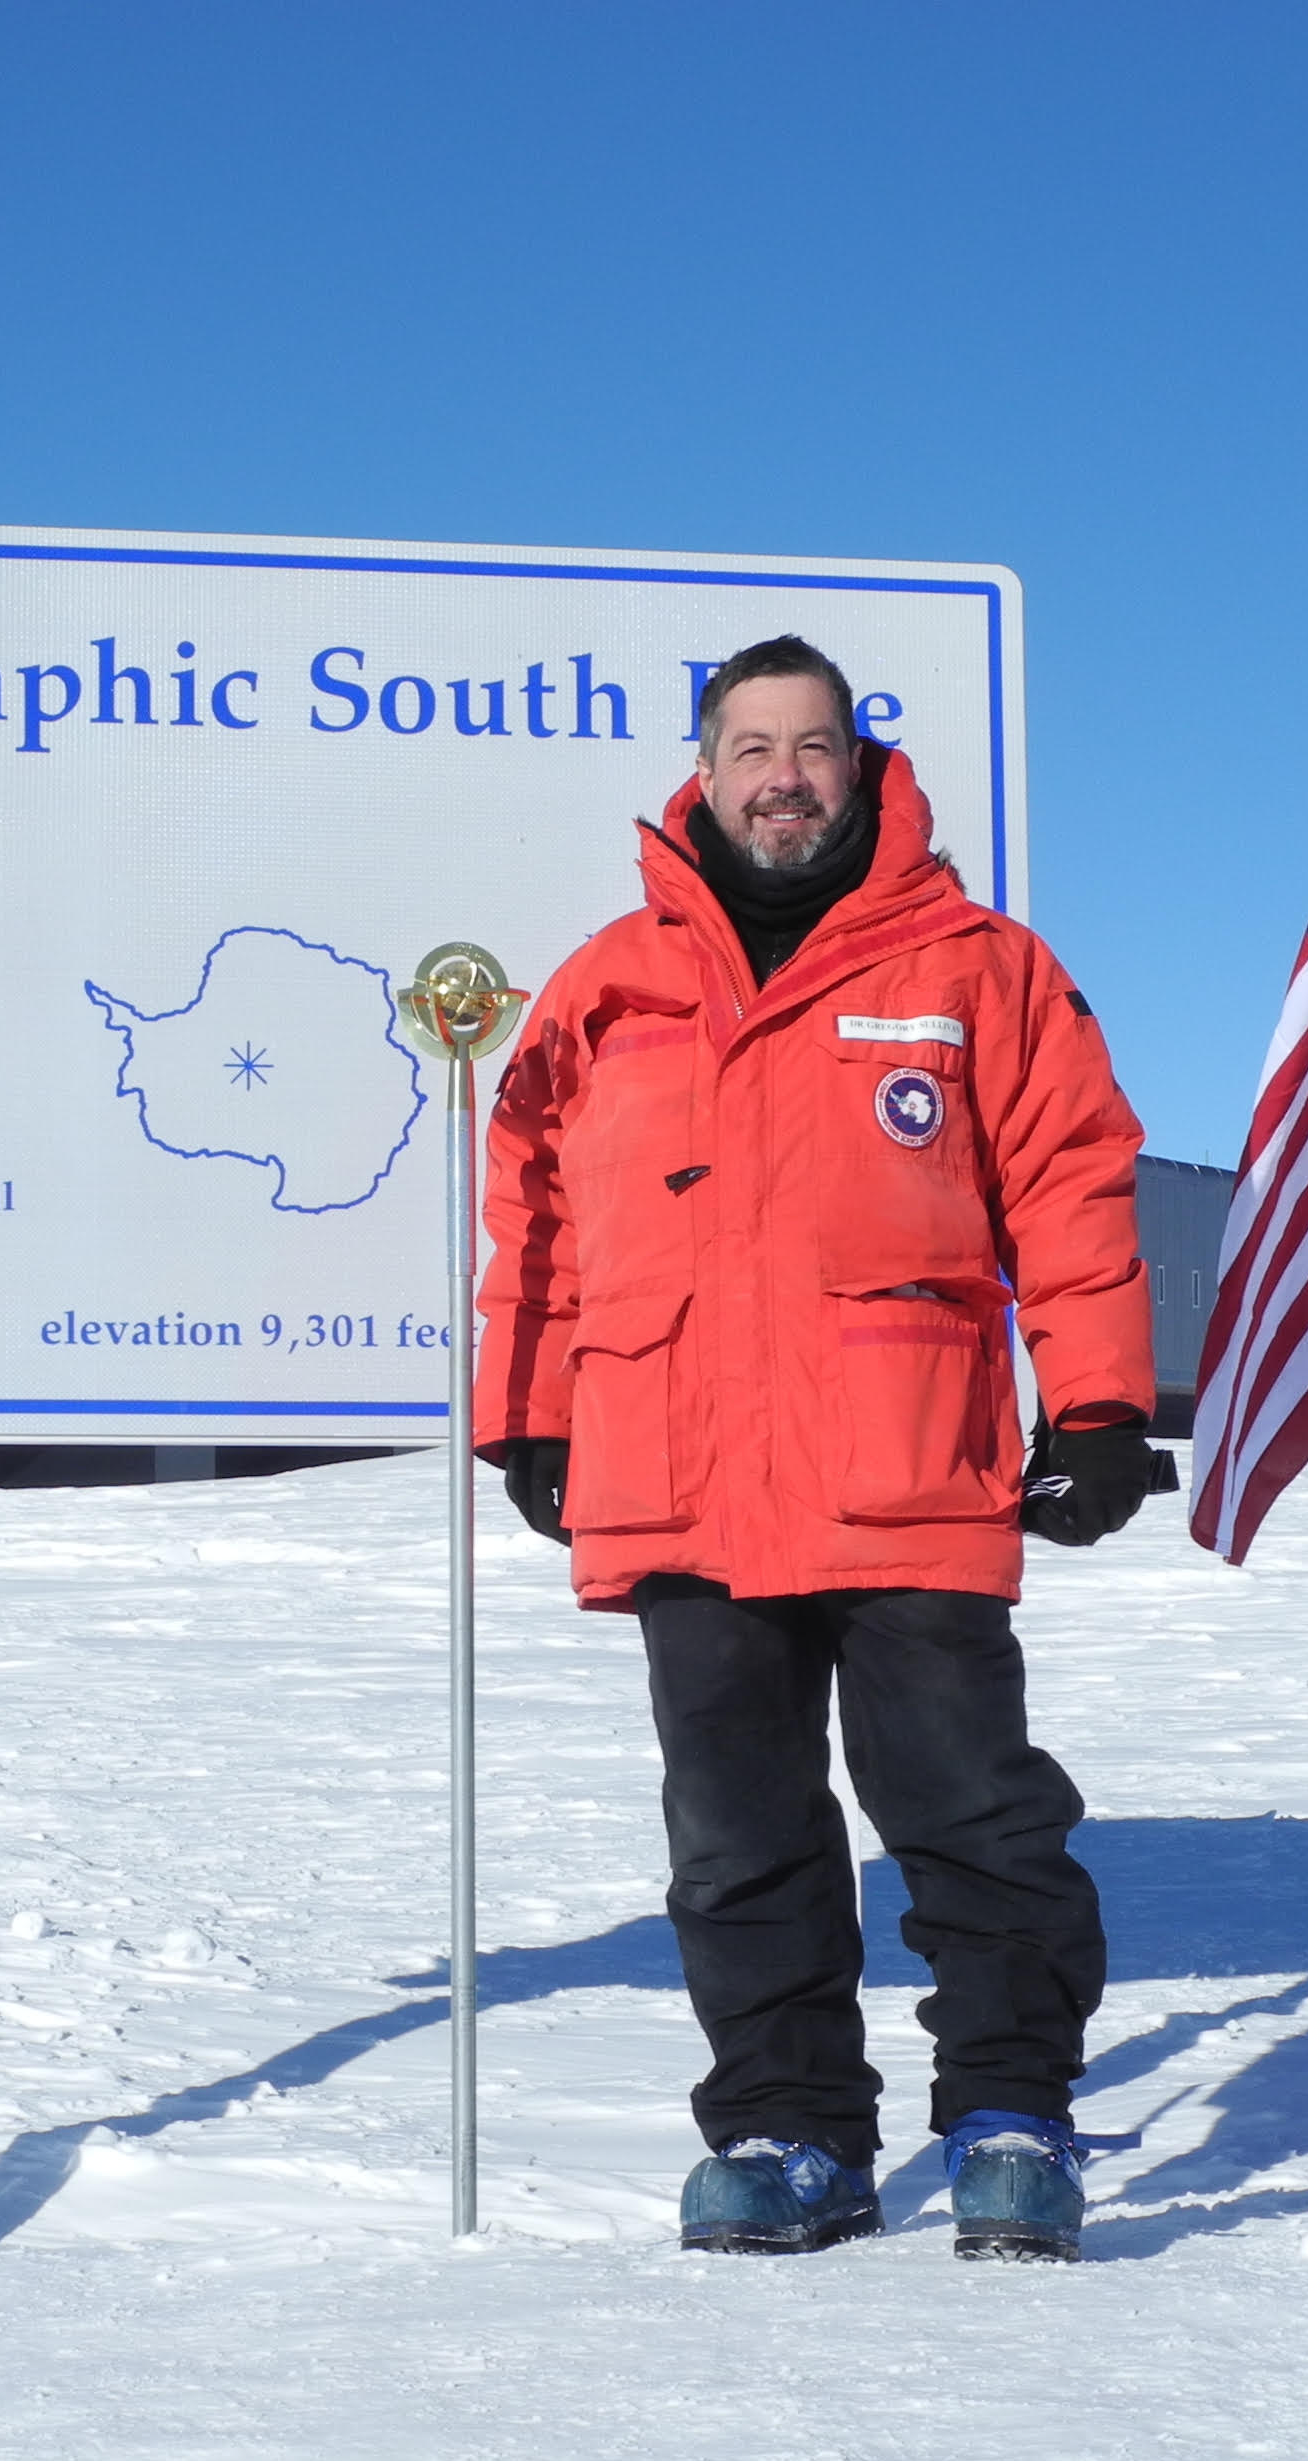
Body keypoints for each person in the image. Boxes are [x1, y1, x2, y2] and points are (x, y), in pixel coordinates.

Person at [473, 635, 1162, 2263]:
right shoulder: (607, 983)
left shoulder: (978, 965)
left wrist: (1103, 1407)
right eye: (750, 748)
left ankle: (1011, 2121)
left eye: (812, 746)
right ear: (702, 775)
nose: (782, 775)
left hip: (902, 1460)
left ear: (858, 766)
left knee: (970, 1815)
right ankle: (790, 2137)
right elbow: (536, 1205)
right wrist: (530, 1412)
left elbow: (1070, 1182)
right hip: (680, 1470)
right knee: (736, 1838)